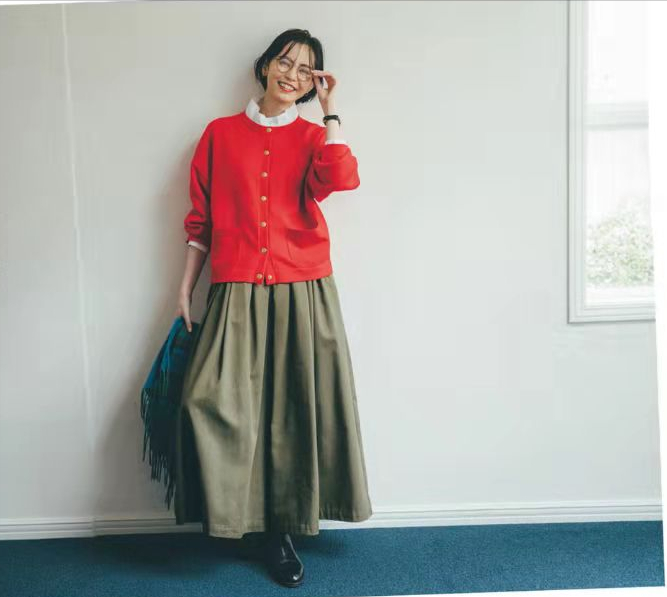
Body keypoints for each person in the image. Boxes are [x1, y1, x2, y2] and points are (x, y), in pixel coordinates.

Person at [172, 28, 372, 588]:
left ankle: (280, 531)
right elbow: (201, 221)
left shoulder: (312, 136)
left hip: (302, 288)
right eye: (285, 62)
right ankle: (234, 514)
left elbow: (342, 179)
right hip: (235, 288)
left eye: (306, 70)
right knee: (205, 400)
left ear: (313, 83)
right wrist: (185, 289)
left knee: (291, 410)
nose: (292, 75)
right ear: (265, 66)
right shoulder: (219, 134)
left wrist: (331, 112)